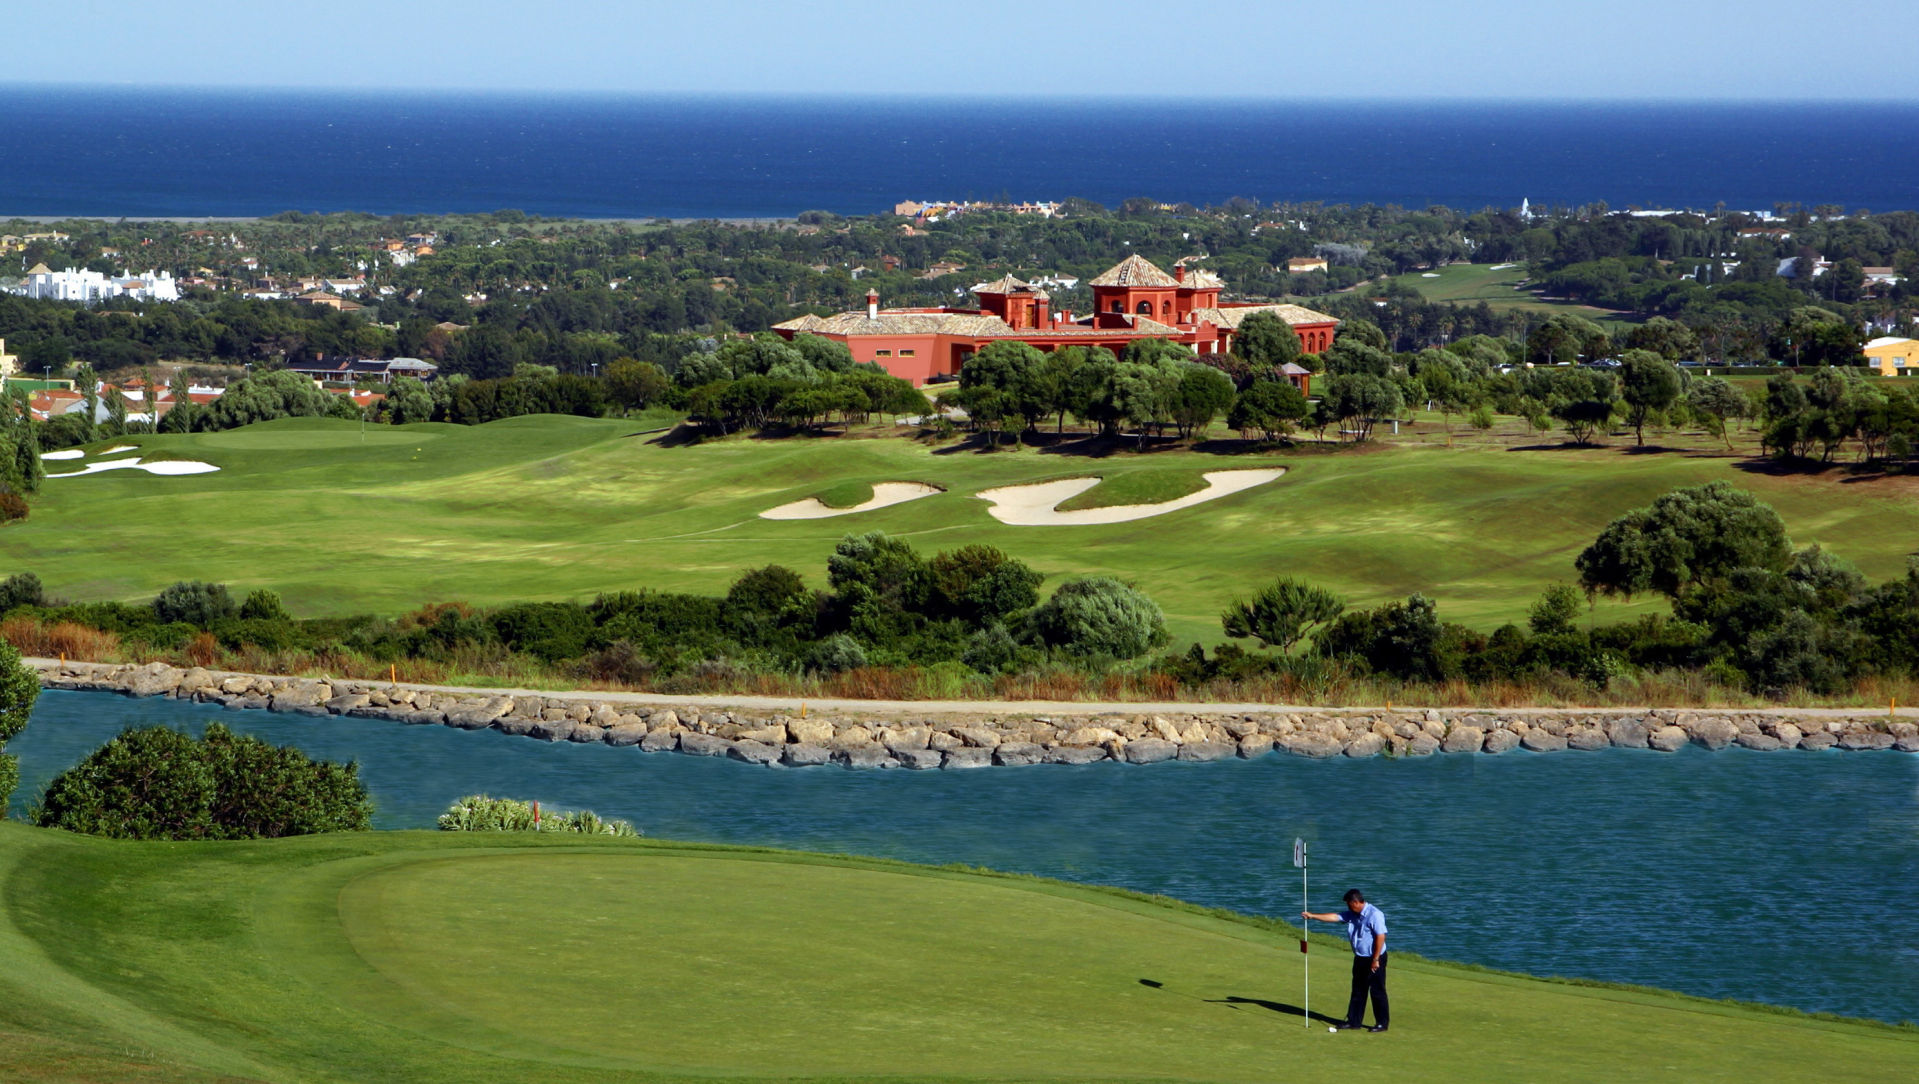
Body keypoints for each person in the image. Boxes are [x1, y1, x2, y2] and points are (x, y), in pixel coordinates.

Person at [1302, 887, 1388, 1032]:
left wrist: (1375, 959)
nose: (1348, 907)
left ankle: (1382, 1023)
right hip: (1360, 957)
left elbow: (1381, 936)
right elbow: (1335, 917)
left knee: (1377, 991)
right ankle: (1354, 1022)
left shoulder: (1375, 914)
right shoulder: (1353, 913)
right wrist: (1312, 916)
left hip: (1375, 957)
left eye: (1349, 904)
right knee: (1358, 990)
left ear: (1355, 902)